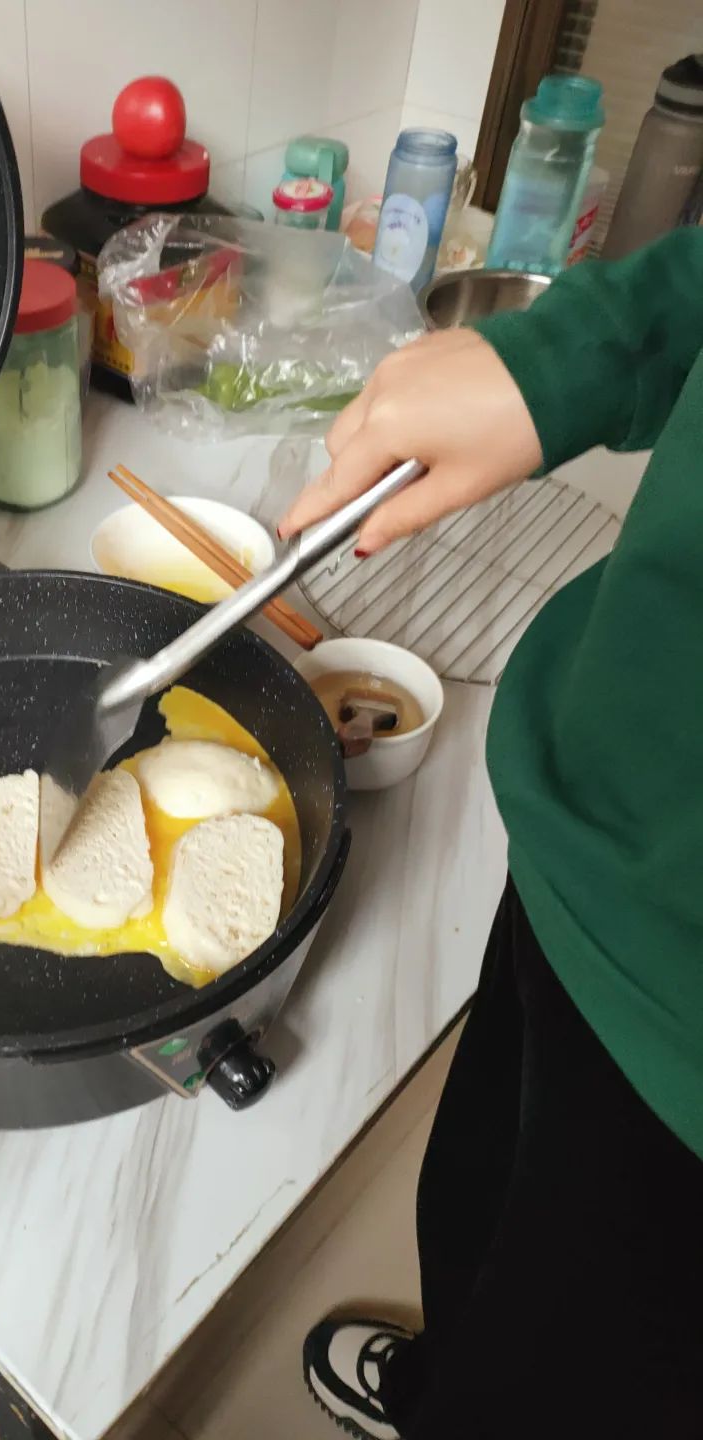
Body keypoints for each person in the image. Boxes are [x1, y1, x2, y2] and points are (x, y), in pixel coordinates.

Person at [282, 228, 703, 1440]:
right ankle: (441, 1376)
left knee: (569, 1380)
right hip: (603, 781)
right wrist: (599, 343)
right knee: (477, 1200)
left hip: (688, 1017)